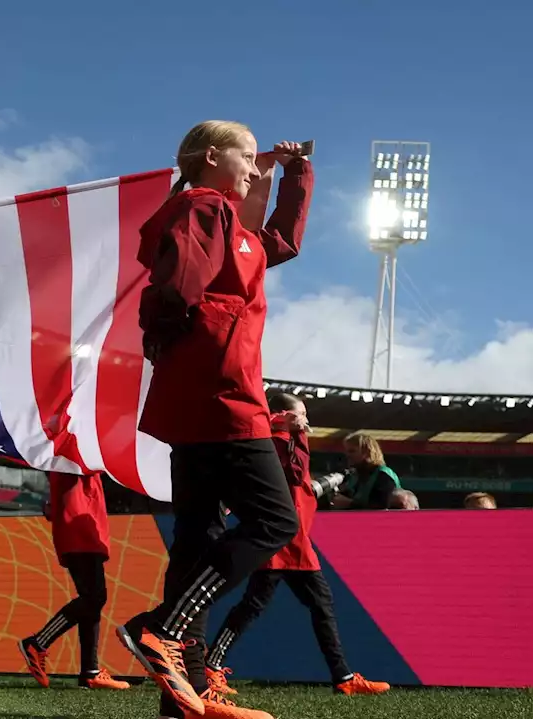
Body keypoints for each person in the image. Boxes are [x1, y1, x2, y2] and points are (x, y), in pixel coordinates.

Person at [118, 121, 312, 719]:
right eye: (248, 158)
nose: (256, 168)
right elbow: (174, 288)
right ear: (211, 157)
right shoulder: (202, 207)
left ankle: (190, 695)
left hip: (206, 390)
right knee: (276, 522)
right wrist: (174, 337)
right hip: (221, 392)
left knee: (196, 540)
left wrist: (293, 173)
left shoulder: (233, 224)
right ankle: (162, 630)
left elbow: (279, 241)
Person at [204, 394, 391, 698]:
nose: (306, 419)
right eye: (301, 414)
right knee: (258, 606)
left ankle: (343, 677)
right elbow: (294, 471)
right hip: (279, 540)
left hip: (294, 541)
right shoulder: (277, 440)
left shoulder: (278, 439)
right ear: (284, 415)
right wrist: (297, 432)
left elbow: (297, 481)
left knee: (306, 605)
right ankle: (211, 666)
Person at [19, 472, 129, 691]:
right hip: (81, 530)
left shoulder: (73, 451)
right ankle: (38, 642)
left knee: (92, 603)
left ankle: (90, 671)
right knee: (93, 598)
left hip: (81, 527)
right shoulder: (75, 449)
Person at [331, 433, 400, 510]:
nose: (347, 455)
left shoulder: (384, 475)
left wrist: (350, 504)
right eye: (347, 451)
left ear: (367, 452)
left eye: (352, 451)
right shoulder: (355, 476)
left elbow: (381, 507)